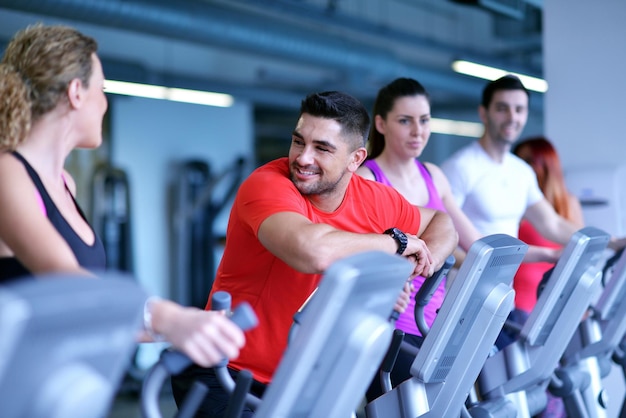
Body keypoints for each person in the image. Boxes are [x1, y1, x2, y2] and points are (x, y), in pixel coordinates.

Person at [171, 90, 459, 417]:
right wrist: (397, 243)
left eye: (322, 148)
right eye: (298, 142)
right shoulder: (267, 184)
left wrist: (409, 266)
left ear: (356, 159)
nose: (303, 158)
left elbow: (441, 221)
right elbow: (313, 250)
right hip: (227, 372)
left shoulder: (376, 199)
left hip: (302, 380)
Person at [0, 24, 245, 369]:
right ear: (76, 93)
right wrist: (169, 318)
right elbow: (64, 280)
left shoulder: (64, 184)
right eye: (102, 89)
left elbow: (91, 307)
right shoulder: (7, 172)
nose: (104, 103)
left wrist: (191, 324)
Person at [355, 77, 482, 399]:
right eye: (405, 121)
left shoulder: (433, 175)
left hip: (434, 324)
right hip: (389, 327)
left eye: (424, 120)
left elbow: (470, 242)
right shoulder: (367, 179)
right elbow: (358, 254)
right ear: (381, 124)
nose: (418, 131)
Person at [512, 136, 584, 313]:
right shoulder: (516, 202)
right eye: (519, 161)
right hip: (522, 300)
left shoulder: (569, 203)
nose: (523, 167)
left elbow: (581, 255)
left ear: (547, 164)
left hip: (556, 299)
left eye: (529, 161)